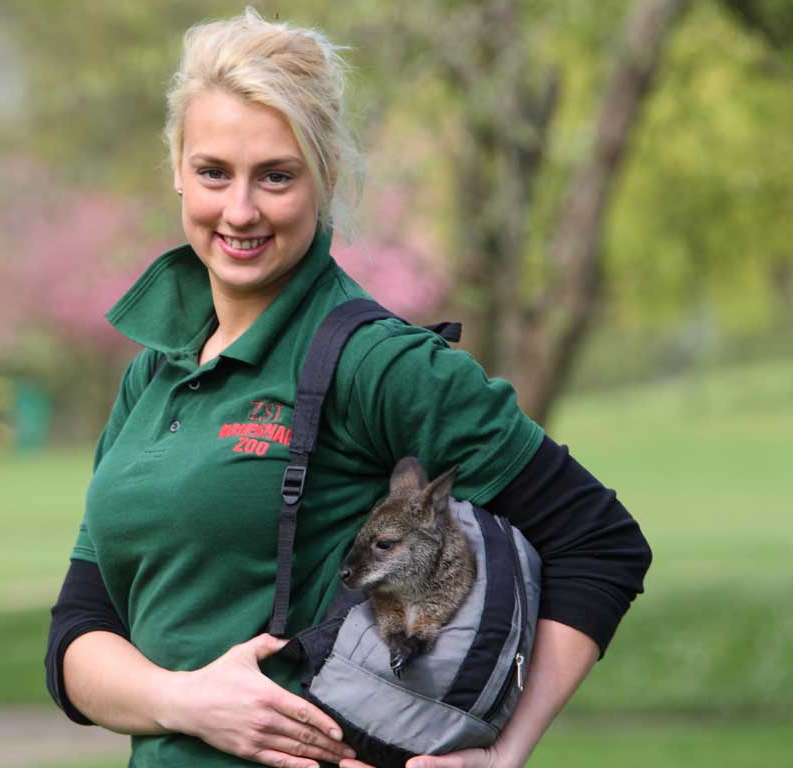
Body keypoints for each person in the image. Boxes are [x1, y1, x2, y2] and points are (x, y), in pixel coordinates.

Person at [45, 8, 651, 768]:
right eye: (213, 173)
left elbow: (598, 541)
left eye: (276, 175)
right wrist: (186, 700)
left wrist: (502, 755)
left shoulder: (375, 361)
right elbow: (79, 629)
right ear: (176, 168)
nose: (239, 211)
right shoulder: (153, 372)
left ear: (325, 176)